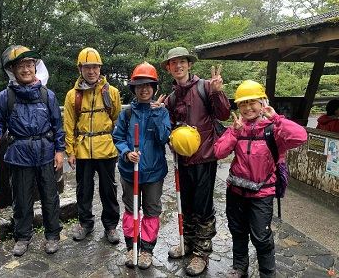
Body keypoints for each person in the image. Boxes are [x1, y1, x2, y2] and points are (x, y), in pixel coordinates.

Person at [214, 80, 307, 278]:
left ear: (263, 102)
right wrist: (234, 132)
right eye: (242, 103)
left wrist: (276, 118)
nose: (247, 108)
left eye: (252, 102)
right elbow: (219, 152)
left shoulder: (274, 130)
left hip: (262, 193)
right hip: (236, 191)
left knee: (261, 237)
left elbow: (300, 136)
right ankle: (240, 268)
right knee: (237, 231)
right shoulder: (238, 128)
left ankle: (267, 274)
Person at [0, 45, 65, 256]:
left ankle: (52, 235)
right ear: (13, 70)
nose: (26, 69)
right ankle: (22, 237)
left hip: (45, 152)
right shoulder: (6, 96)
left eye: (29, 65)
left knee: (50, 196)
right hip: (19, 154)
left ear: (35, 67)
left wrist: (60, 151)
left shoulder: (47, 95)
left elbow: (57, 126)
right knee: (21, 198)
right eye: (20, 66)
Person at [161, 46, 231, 276]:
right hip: (183, 159)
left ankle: (202, 252)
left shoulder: (206, 87)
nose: (178, 66)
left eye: (182, 62)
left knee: (202, 206)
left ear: (189, 64)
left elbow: (223, 114)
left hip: (204, 158)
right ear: (169, 68)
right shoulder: (171, 98)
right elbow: (170, 127)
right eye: (174, 63)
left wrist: (217, 92)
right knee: (186, 203)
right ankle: (188, 242)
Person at [112, 62, 171, 269]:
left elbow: (164, 138)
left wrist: (156, 114)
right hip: (129, 171)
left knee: (152, 210)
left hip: (154, 172)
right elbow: (118, 136)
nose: (144, 89)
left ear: (154, 88)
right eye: (139, 85)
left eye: (148, 85)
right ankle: (132, 246)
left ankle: (146, 250)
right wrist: (127, 152)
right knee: (131, 210)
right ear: (134, 89)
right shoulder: (127, 113)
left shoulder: (162, 112)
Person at [63, 47, 122, 244]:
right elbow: (69, 124)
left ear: (100, 69)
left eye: (95, 67)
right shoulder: (73, 95)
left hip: (106, 149)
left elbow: (118, 122)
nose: (91, 71)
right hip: (82, 151)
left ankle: (111, 226)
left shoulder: (112, 93)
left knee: (109, 190)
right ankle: (85, 223)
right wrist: (70, 152)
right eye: (87, 67)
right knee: (83, 190)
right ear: (80, 69)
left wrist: (119, 147)